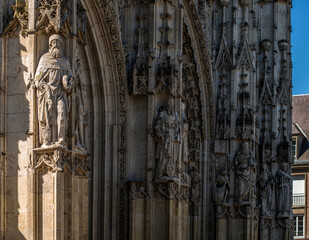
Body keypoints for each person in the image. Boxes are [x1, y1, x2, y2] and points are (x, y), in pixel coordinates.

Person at [35, 34, 73, 147]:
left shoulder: (65, 62)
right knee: (48, 116)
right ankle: (47, 140)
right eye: (53, 42)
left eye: (58, 43)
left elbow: (71, 79)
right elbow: (38, 78)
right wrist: (44, 86)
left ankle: (61, 139)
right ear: (50, 45)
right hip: (48, 94)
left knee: (62, 115)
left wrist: (68, 82)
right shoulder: (44, 59)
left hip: (61, 94)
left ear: (61, 45)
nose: (55, 45)